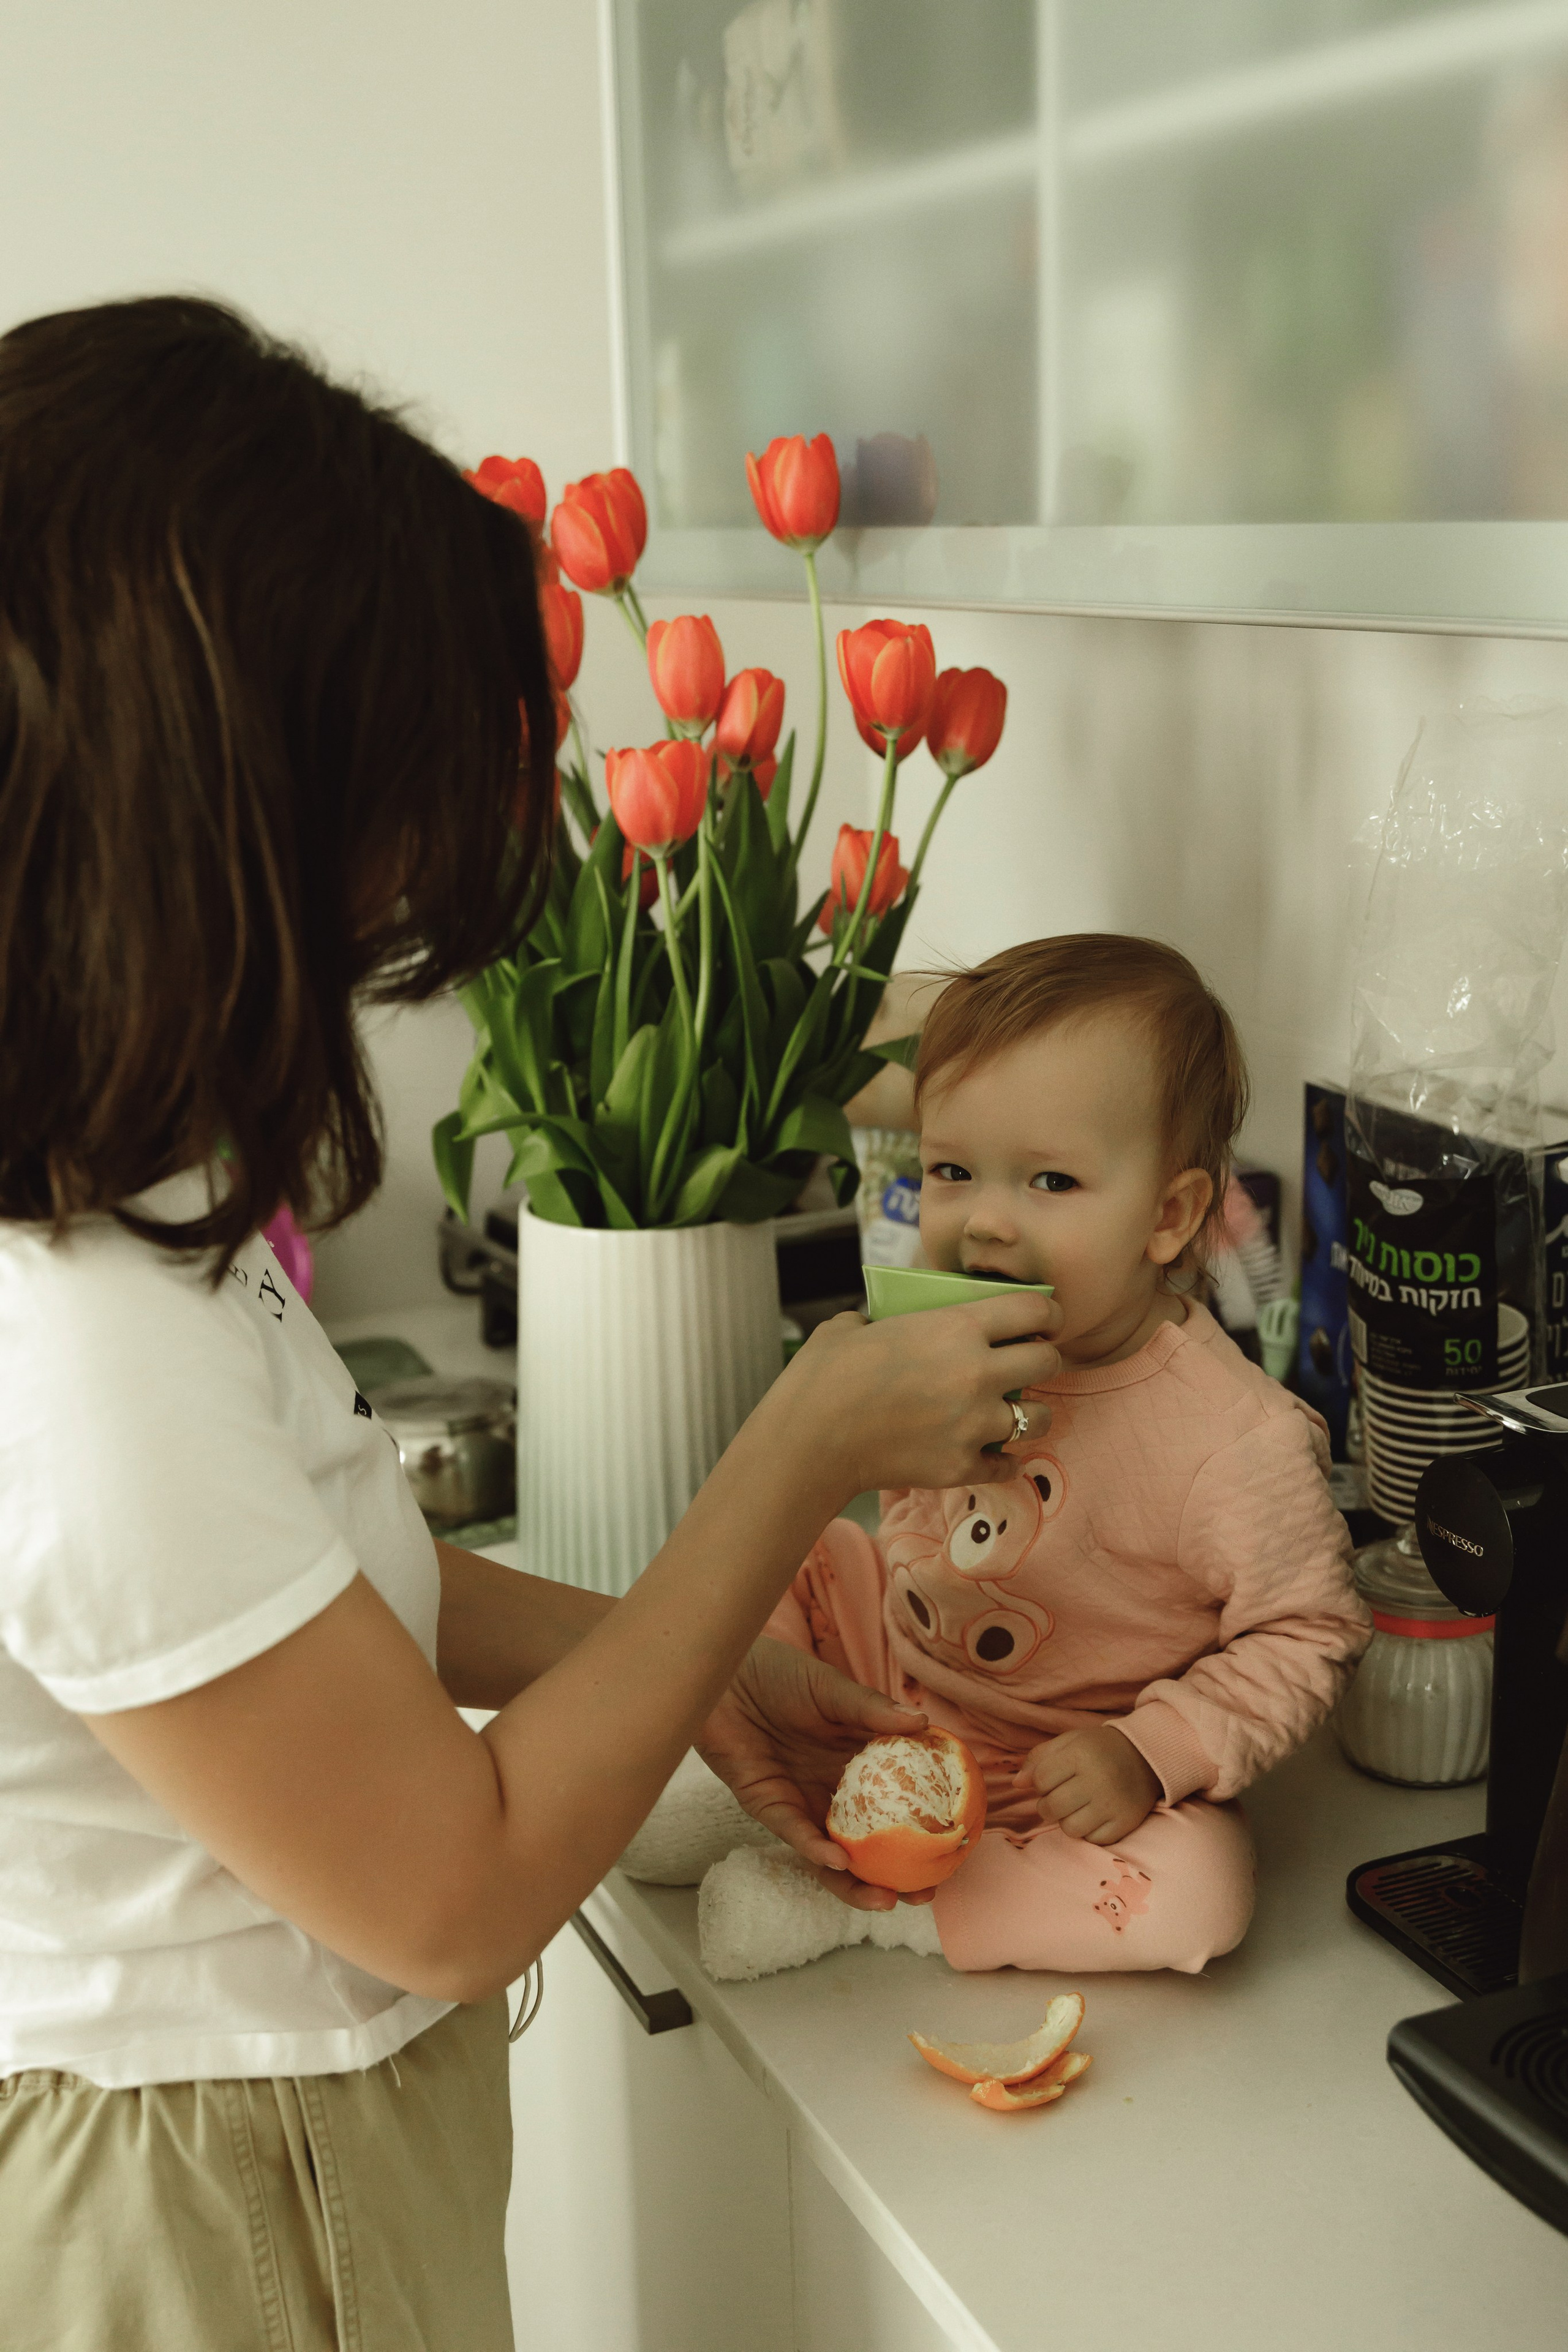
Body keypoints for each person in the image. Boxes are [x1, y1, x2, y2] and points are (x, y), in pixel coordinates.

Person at [0, 296, 1063, 2352]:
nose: (416, 865)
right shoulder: (85, 1371)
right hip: (225, 2198)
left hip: (265, 2139)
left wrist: (729, 1672)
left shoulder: (109, 1213)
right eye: (389, 793)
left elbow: (306, 1603)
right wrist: (802, 1443)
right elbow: (460, 1880)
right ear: (223, 798)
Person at [753, 936, 1371, 1976]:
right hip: (896, 1688)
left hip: (1065, 1771)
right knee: (791, 1550)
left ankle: (884, 1909)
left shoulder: (1234, 1442)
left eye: (1050, 1180)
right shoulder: (949, 1341)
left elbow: (1313, 1631)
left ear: (1169, 1217)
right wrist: (897, 1574)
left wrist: (1150, 1752)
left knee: (1200, 1898)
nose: (984, 1222)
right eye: (951, 1169)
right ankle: (781, 1795)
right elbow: (903, 1499)